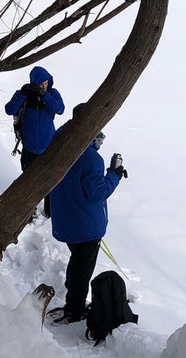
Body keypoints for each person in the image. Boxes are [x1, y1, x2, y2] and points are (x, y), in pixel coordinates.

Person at [46, 106, 127, 324]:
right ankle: (74, 309)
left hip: (66, 220)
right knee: (81, 270)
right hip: (86, 227)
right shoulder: (91, 159)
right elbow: (97, 193)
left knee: (77, 264)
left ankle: (73, 303)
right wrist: (114, 175)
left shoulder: (58, 142)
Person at [4, 65, 64, 215]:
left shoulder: (52, 94)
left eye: (46, 83)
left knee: (49, 182)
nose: (44, 86)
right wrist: (23, 94)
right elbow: (9, 109)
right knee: (28, 182)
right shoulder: (23, 95)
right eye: (40, 84)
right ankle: (29, 211)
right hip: (29, 147)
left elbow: (60, 109)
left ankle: (49, 211)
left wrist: (44, 95)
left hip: (48, 146)